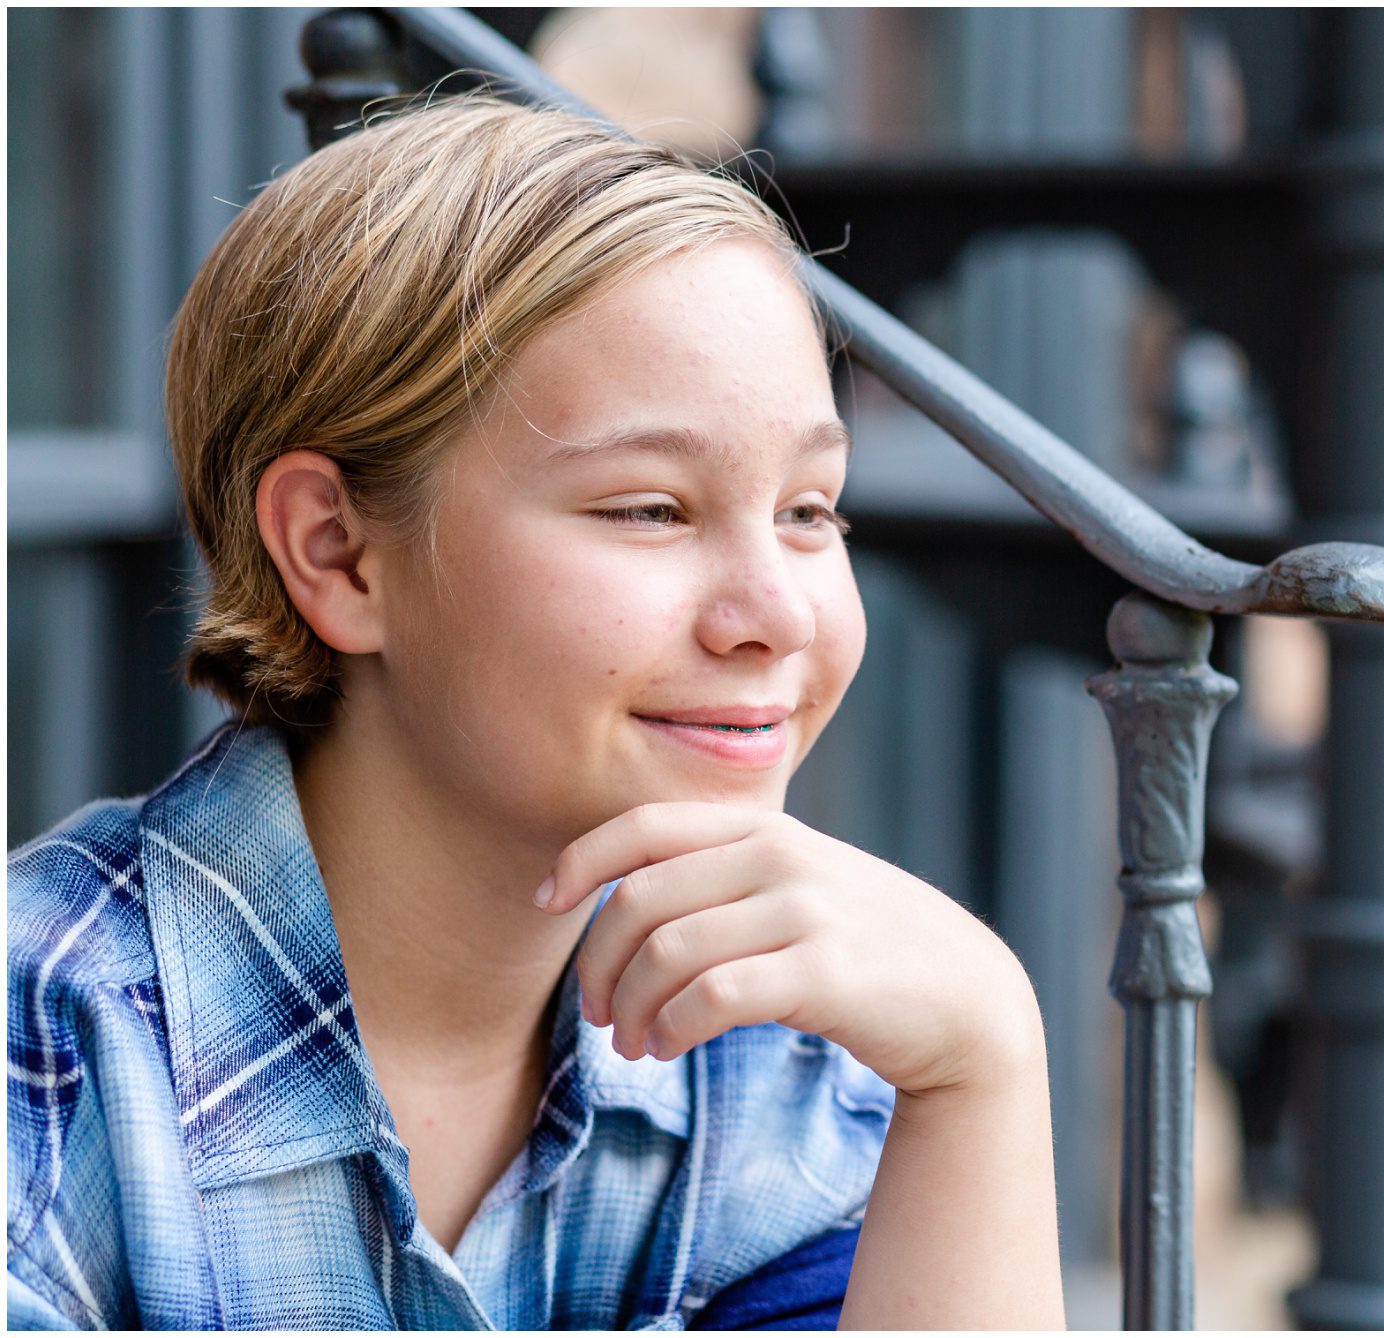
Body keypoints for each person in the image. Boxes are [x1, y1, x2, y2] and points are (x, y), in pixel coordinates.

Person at [7, 97, 1065, 1331]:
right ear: (340, 553)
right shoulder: (52, 1061)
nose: (774, 614)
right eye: (649, 510)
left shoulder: (780, 1071)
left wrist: (986, 1067)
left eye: (810, 509)